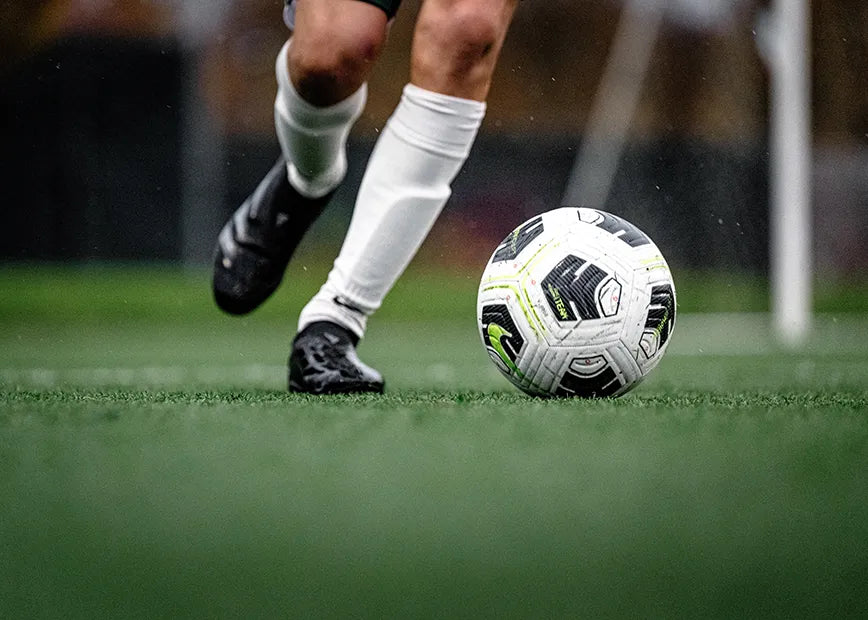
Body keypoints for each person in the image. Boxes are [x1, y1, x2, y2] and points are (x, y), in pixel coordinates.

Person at [213, 0, 518, 394]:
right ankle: (308, 178)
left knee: (467, 29)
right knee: (328, 58)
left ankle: (335, 321)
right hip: (321, 83)